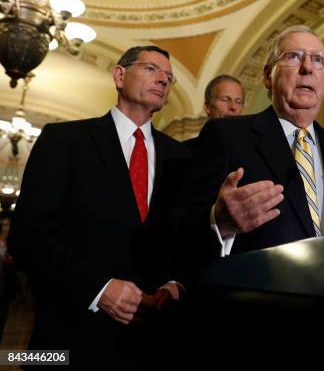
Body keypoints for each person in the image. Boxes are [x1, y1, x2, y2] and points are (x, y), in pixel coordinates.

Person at [7, 46, 192, 369]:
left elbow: (184, 236)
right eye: (151, 69)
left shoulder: (182, 157)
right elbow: (27, 237)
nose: (163, 79)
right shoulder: (64, 140)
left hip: (151, 344)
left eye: (169, 77)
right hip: (70, 339)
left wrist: (175, 282)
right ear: (120, 75)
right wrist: (98, 289)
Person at [176, 25, 324, 257]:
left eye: (318, 60)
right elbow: (178, 225)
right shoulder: (226, 135)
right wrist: (219, 222)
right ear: (268, 75)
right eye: (293, 56)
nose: (308, 67)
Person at [184, 75, 245, 149]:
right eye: (225, 100)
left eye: (238, 102)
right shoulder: (184, 151)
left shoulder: (251, 151)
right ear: (207, 107)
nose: (233, 107)